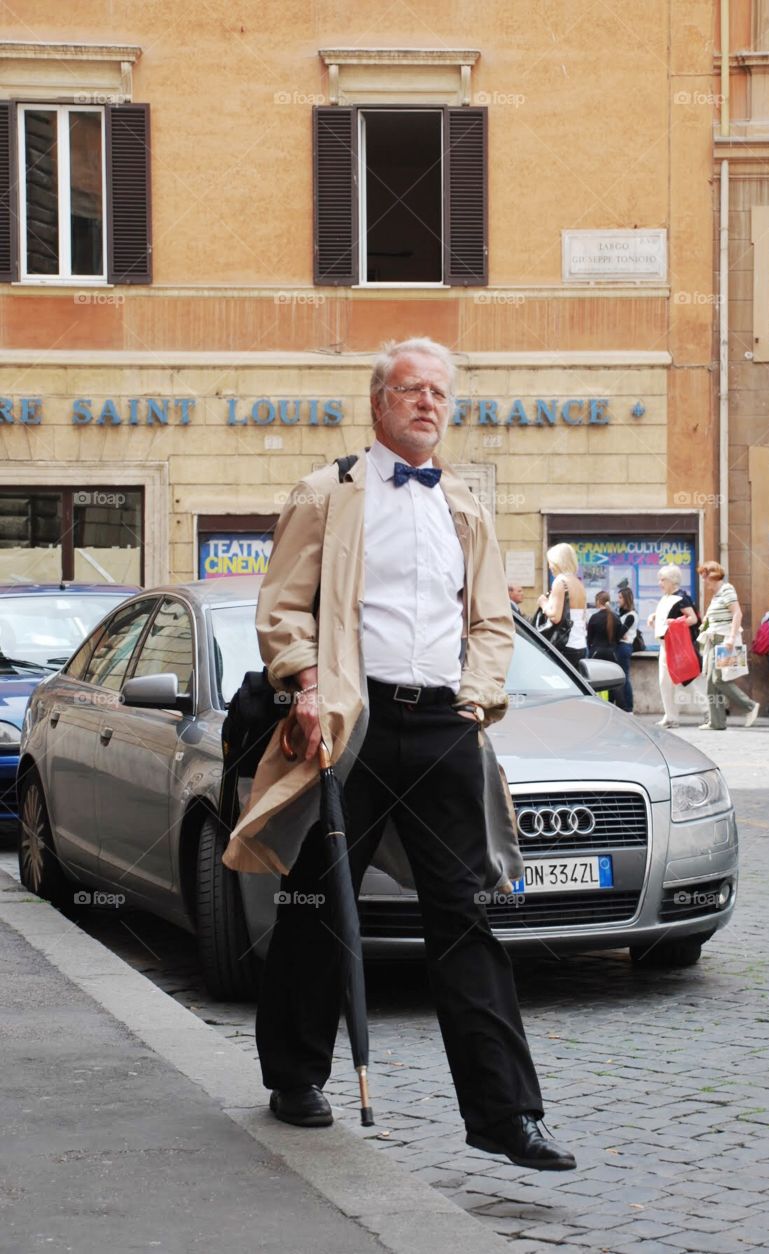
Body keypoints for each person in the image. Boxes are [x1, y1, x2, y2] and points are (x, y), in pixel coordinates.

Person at [224, 337, 574, 1172]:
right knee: (319, 899)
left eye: (439, 393)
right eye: (410, 390)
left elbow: (492, 621)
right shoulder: (326, 493)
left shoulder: (465, 504)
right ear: (379, 402)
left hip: (445, 724)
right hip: (355, 719)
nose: (426, 403)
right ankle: (296, 1074)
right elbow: (283, 606)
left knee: (467, 915)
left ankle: (506, 1115)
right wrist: (305, 683)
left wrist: (478, 692)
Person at [696, 561, 761, 731]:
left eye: (705, 576)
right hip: (714, 640)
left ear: (713, 575)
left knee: (720, 679)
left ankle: (750, 706)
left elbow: (737, 613)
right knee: (711, 682)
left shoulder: (727, 589)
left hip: (725, 640)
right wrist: (706, 623)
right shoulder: (716, 595)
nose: (703, 580)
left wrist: (731, 637)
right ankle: (716, 722)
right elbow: (717, 617)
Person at [647, 565, 699, 728]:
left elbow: (693, 619)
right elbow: (666, 613)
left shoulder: (681, 597)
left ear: (673, 581)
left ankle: (707, 710)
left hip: (675, 645)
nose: (660, 583)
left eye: (663, 580)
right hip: (665, 644)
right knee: (665, 681)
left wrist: (676, 622)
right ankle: (670, 716)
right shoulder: (667, 597)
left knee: (686, 680)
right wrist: (653, 615)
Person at [537, 543, 587, 670]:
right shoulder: (578, 583)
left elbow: (555, 616)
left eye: (551, 562)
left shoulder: (560, 581)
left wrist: (543, 603)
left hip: (564, 645)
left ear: (558, 562)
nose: (549, 567)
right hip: (580, 645)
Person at [615, 585, 638, 712]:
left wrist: (618, 633)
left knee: (624, 678)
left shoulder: (631, 615)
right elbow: (618, 633)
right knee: (621, 678)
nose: (618, 600)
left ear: (626, 599)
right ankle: (623, 706)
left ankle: (628, 708)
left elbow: (618, 633)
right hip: (621, 646)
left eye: (620, 597)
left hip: (624, 647)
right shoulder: (622, 614)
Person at [586, 590, 624, 663]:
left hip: (596, 653)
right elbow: (618, 638)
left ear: (598, 601)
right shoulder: (616, 617)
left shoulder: (594, 617)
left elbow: (589, 639)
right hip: (613, 654)